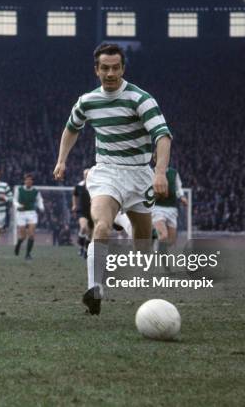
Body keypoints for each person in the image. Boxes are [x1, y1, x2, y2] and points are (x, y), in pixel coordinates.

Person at [53, 43, 172, 315]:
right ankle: (95, 289)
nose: (110, 73)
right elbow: (71, 128)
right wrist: (62, 160)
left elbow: (162, 136)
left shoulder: (141, 99)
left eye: (115, 68)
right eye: (104, 68)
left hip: (140, 174)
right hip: (107, 172)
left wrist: (160, 172)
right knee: (101, 226)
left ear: (123, 68)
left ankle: (125, 221)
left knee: (143, 251)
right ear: (96, 70)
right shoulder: (87, 101)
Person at [152, 165, 188, 258]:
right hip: (157, 207)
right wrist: (154, 194)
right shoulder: (151, 172)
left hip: (172, 208)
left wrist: (182, 197)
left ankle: (156, 238)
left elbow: (178, 187)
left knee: (170, 241)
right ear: (155, 159)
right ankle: (154, 237)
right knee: (163, 236)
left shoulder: (174, 173)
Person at [14, 173, 45, 260]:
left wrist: (41, 207)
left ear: (32, 181)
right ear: (24, 181)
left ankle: (28, 254)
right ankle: (18, 244)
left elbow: (40, 200)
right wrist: (18, 206)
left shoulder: (36, 191)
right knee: (23, 236)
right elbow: (14, 200)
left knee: (31, 234)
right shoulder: (19, 189)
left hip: (31, 213)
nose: (28, 181)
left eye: (30, 180)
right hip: (21, 213)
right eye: (27, 180)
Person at [72, 168, 92, 258]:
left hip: (92, 212)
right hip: (82, 211)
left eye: (88, 174)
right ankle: (80, 247)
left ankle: (85, 250)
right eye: (85, 174)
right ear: (83, 175)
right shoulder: (79, 186)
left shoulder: (95, 185)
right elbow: (75, 195)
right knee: (84, 228)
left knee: (90, 234)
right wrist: (74, 205)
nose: (87, 176)